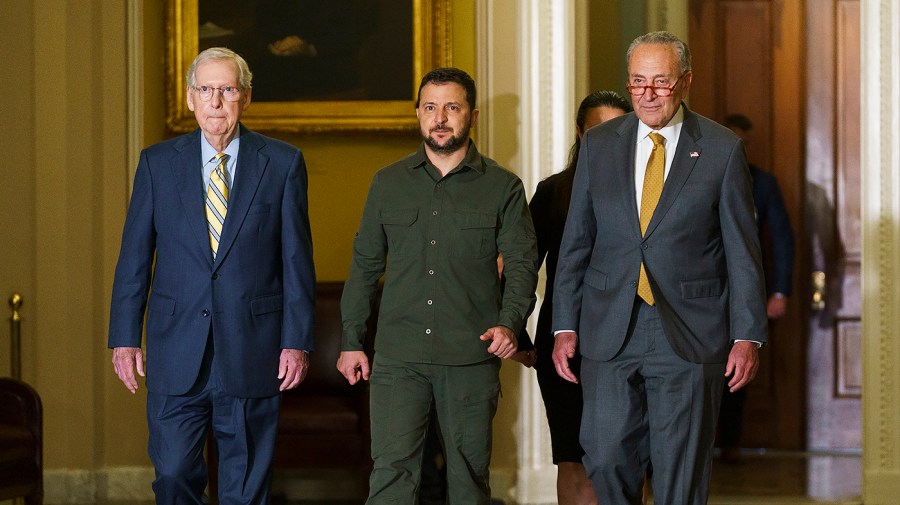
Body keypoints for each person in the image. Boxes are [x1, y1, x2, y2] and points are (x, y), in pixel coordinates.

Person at [552, 31, 768, 505]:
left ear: (685, 82)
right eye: (637, 82)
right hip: (609, 329)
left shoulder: (721, 147)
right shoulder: (600, 145)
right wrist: (564, 325)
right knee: (605, 456)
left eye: (661, 82)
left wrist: (747, 334)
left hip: (691, 332)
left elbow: (742, 250)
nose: (647, 94)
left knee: (680, 474)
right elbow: (576, 244)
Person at [107, 47, 316, 504]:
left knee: (245, 488)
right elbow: (134, 258)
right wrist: (124, 337)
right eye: (206, 89)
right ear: (190, 98)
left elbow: (297, 261)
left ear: (246, 97)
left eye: (227, 89)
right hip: (176, 348)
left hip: (252, 348)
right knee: (174, 474)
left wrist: (296, 341)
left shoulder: (281, 163)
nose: (216, 101)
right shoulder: (157, 164)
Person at [337, 67, 538, 504]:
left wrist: (509, 324)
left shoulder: (503, 187)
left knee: (468, 482)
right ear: (418, 114)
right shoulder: (387, 183)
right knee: (391, 478)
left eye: (452, 107)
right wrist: (352, 341)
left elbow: (523, 266)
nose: (440, 117)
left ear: (472, 115)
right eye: (431, 107)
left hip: (470, 356)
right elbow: (365, 267)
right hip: (397, 358)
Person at [529, 90, 632, 505]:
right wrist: (512, 329)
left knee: (629, 456)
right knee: (573, 458)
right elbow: (521, 267)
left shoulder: (654, 192)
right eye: (597, 132)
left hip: (631, 342)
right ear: (579, 134)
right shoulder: (553, 191)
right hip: (563, 347)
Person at [718, 113, 795, 462]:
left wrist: (779, 291)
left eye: (743, 142)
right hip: (697, 291)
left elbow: (781, 238)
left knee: (739, 369)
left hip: (743, 291)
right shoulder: (697, 169)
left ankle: (731, 444)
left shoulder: (763, 183)